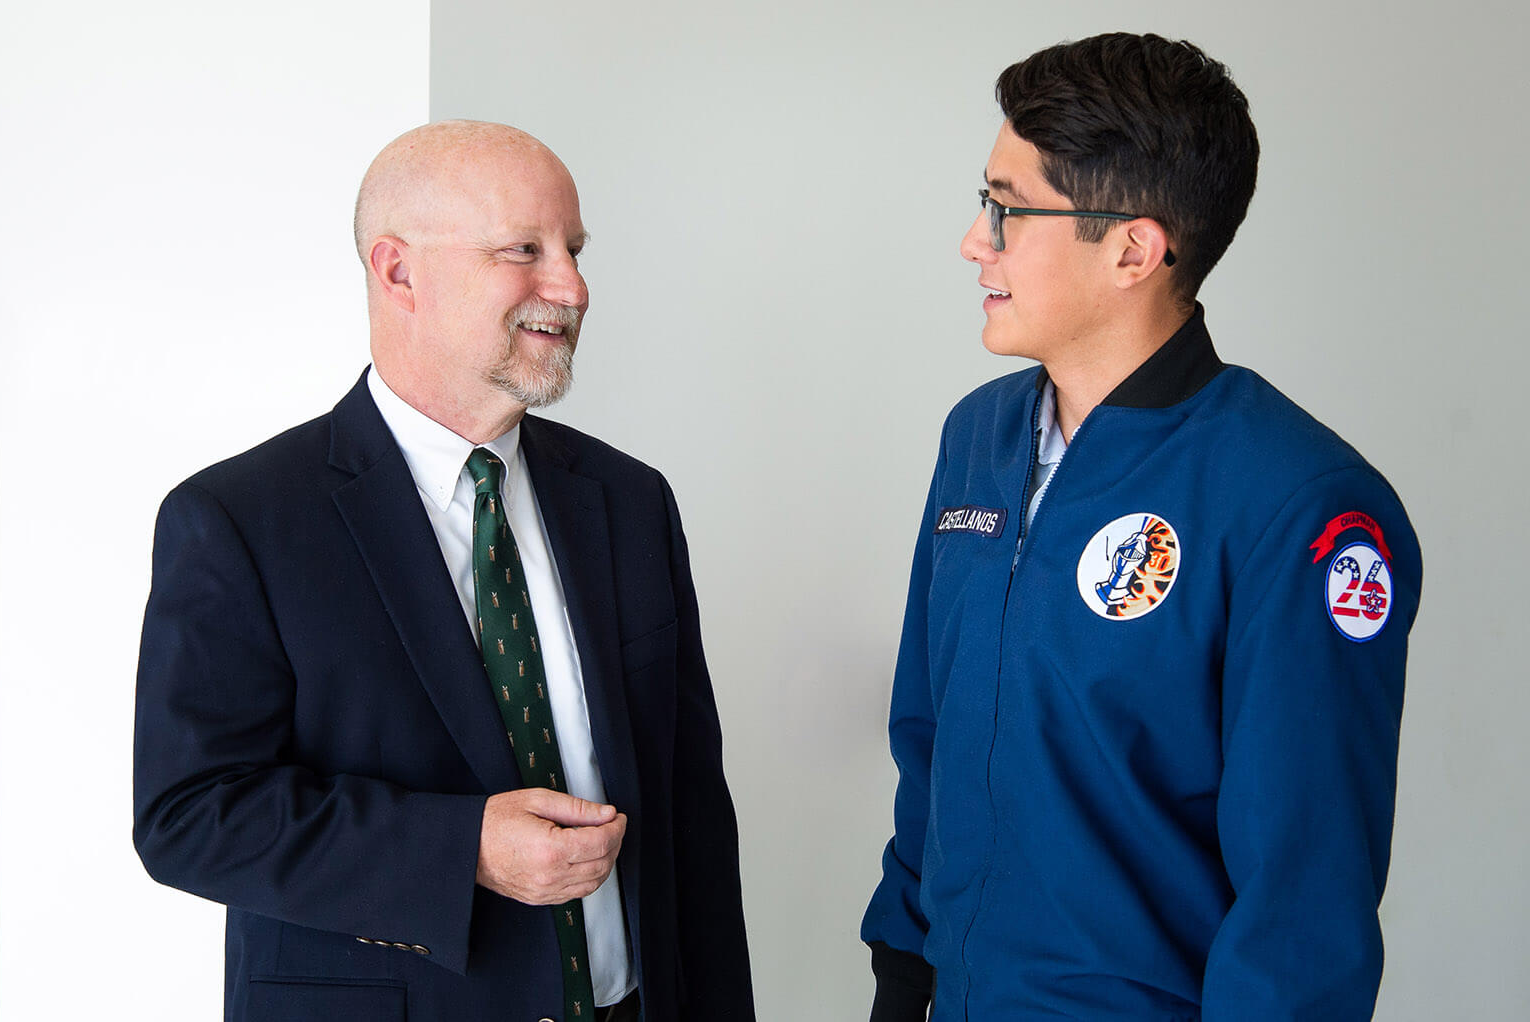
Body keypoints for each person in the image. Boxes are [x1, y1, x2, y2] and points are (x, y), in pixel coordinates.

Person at [134, 120, 754, 1022]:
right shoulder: (240, 520)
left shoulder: (629, 500)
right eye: (525, 250)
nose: (573, 287)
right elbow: (188, 814)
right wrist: (462, 847)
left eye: (574, 251)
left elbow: (693, 808)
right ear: (398, 271)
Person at [861, 33, 1421, 1021]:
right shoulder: (978, 439)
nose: (974, 240)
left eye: (1008, 209)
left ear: (1132, 247)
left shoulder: (1305, 506)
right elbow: (932, 736)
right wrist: (902, 969)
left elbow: (1307, 894)